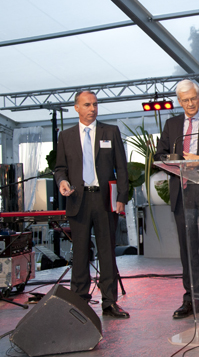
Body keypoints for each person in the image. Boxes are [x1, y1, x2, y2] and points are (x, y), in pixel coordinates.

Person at [154, 79, 199, 320]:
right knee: (188, 251)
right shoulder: (171, 124)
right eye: (184, 100)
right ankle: (191, 299)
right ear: (179, 101)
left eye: (193, 98)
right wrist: (175, 162)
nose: (190, 104)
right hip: (182, 192)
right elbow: (160, 154)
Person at [54, 91, 130, 318]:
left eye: (95, 104)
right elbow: (59, 168)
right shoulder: (65, 136)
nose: (93, 108)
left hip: (104, 200)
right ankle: (79, 301)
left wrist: (121, 198)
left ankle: (109, 302)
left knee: (107, 251)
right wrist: (62, 181)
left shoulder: (110, 131)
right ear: (76, 107)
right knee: (79, 253)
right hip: (78, 199)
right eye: (87, 105)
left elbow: (122, 168)